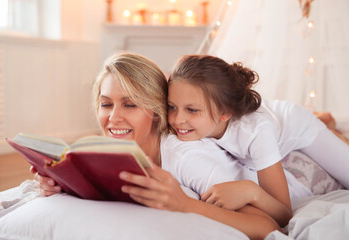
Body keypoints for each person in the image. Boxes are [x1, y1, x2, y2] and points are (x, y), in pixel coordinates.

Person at [32, 52, 281, 239]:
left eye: (130, 105)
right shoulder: (109, 150)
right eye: (106, 104)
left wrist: (186, 205)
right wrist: (60, 184)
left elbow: (267, 225)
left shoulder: (187, 157)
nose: (113, 117)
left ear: (155, 111)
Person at [164, 54, 349, 227]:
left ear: (224, 113)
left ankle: (326, 123)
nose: (176, 119)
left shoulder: (256, 132)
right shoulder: (184, 123)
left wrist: (251, 191)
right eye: (172, 106)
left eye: (192, 110)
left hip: (296, 124)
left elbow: (284, 213)